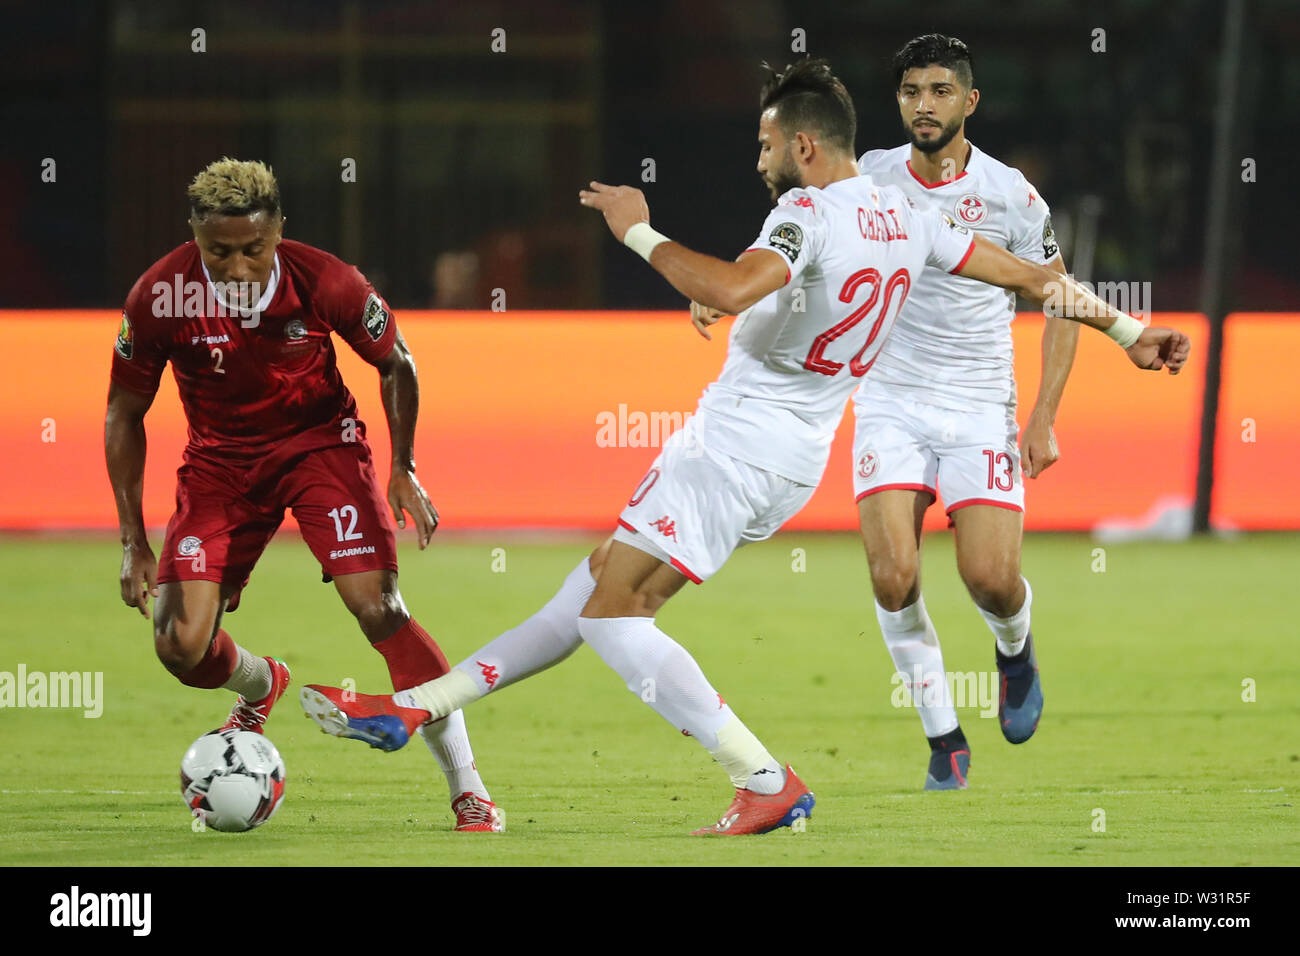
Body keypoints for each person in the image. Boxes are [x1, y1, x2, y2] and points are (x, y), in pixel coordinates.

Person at [298, 59, 1189, 834]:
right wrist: (1131, 330)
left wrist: (637, 229)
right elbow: (1034, 277)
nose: (758, 160)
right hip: (788, 455)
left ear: (804, 147)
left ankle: (763, 780)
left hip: (732, 444)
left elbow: (728, 289)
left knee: (613, 613)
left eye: (766, 144)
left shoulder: (806, 214)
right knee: (596, 585)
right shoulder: (903, 217)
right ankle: (414, 709)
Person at [104, 157, 503, 832]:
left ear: (279, 231)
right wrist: (132, 540)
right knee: (179, 646)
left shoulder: (326, 280)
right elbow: (124, 412)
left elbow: (395, 362)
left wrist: (402, 466)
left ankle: (469, 788)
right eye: (218, 252)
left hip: (321, 448)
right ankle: (262, 683)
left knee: (377, 606)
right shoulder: (159, 296)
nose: (235, 269)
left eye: (253, 250)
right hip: (220, 466)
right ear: (195, 238)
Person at [849, 35, 1081, 789]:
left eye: (941, 90)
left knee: (989, 578)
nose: (925, 103)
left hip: (980, 403)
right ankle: (943, 736)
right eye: (912, 89)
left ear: (970, 101)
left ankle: (1015, 651)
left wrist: (1043, 414)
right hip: (888, 400)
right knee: (893, 577)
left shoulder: (1013, 195)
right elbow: (800, 236)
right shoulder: (870, 179)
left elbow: (1062, 302)